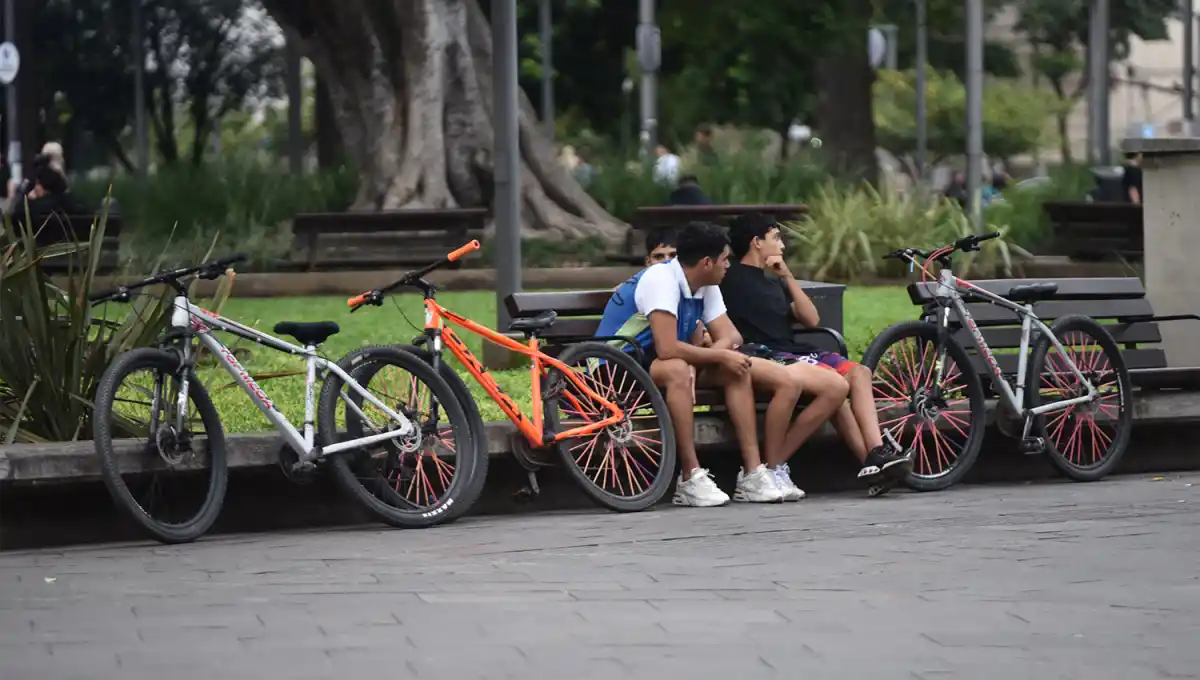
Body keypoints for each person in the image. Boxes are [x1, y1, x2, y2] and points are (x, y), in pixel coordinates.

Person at [721, 213, 912, 496]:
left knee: (860, 373)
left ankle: (875, 454)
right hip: (767, 355)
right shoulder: (730, 277)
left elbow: (811, 319)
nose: (782, 245)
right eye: (776, 237)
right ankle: (773, 467)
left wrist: (787, 276)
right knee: (836, 390)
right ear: (756, 242)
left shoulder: (775, 279)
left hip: (797, 351)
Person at [595, 221, 783, 507]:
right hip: (616, 366)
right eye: (725, 259)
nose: (729, 265)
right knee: (681, 369)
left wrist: (718, 356)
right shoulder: (661, 279)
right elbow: (668, 348)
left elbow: (731, 335)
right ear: (707, 262)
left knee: (736, 367)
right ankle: (689, 477)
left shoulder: (705, 283)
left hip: (654, 362)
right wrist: (714, 355)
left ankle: (753, 475)